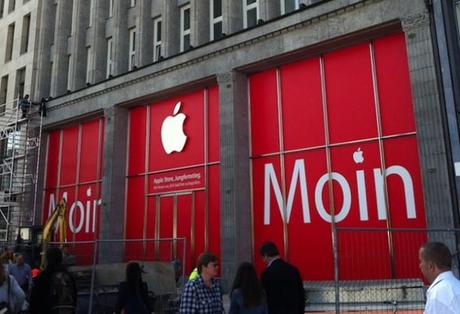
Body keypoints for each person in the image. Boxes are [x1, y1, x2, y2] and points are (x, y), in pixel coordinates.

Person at [259, 241, 305, 314]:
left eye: (262, 257)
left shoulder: (267, 273)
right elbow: (301, 295)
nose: (263, 260)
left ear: (266, 255)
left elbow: (264, 298)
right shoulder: (293, 270)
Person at [29, 247, 77, 314]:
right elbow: (75, 298)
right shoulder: (68, 276)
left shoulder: (42, 277)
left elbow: (34, 303)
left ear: (48, 259)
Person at [419, 242, 460, 314]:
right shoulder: (457, 285)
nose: (420, 266)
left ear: (431, 266)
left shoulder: (437, 294)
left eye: (421, 261)